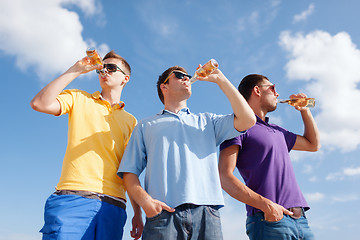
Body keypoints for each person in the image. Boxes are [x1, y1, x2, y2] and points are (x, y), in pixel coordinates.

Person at [117, 65, 256, 240]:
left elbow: (248, 120)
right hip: (163, 215)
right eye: (179, 75)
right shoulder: (145, 125)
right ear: (164, 87)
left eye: (187, 75)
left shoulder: (208, 121)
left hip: (207, 213)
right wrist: (146, 202)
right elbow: (129, 172)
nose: (186, 78)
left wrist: (220, 79)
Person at [30, 50, 143, 240]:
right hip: (72, 199)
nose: (104, 71)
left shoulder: (131, 121)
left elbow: (129, 169)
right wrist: (77, 69)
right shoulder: (78, 98)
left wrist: (137, 213)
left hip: (113, 206)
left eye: (111, 68)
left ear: (125, 78)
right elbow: (39, 103)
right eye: (102, 68)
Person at [219, 74, 320, 240]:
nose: (277, 93)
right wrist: (267, 206)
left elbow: (313, 145)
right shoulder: (237, 127)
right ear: (257, 91)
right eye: (272, 88)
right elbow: (225, 176)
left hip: (301, 221)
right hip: (269, 220)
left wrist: (305, 111)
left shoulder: (278, 130)